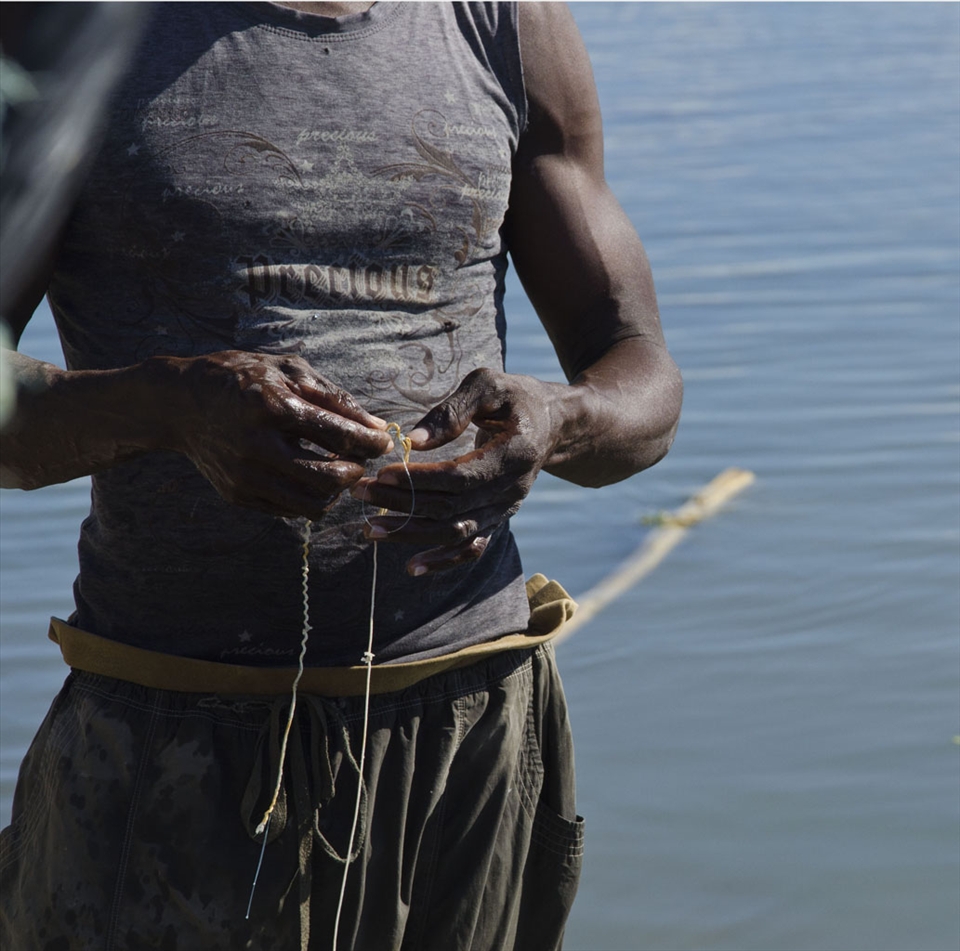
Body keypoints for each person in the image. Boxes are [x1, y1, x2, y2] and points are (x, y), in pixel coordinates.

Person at [0, 2, 682, 948]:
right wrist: (169, 405)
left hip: (469, 733)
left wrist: (556, 423)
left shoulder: (503, 23)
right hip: (172, 733)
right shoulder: (64, 27)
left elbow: (640, 377)